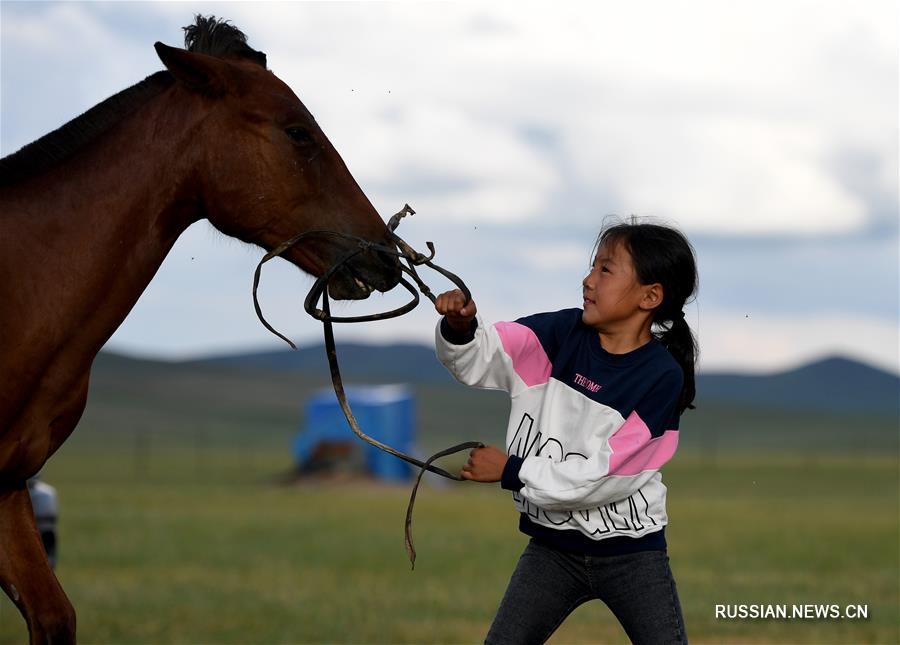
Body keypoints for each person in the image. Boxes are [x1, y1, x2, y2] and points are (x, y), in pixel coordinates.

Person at [434, 219, 698, 645]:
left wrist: (512, 471)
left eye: (606, 270)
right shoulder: (557, 334)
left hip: (632, 555)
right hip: (551, 552)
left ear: (650, 296)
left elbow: (605, 478)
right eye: (592, 267)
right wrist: (461, 330)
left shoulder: (660, 377)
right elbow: (482, 357)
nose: (588, 280)